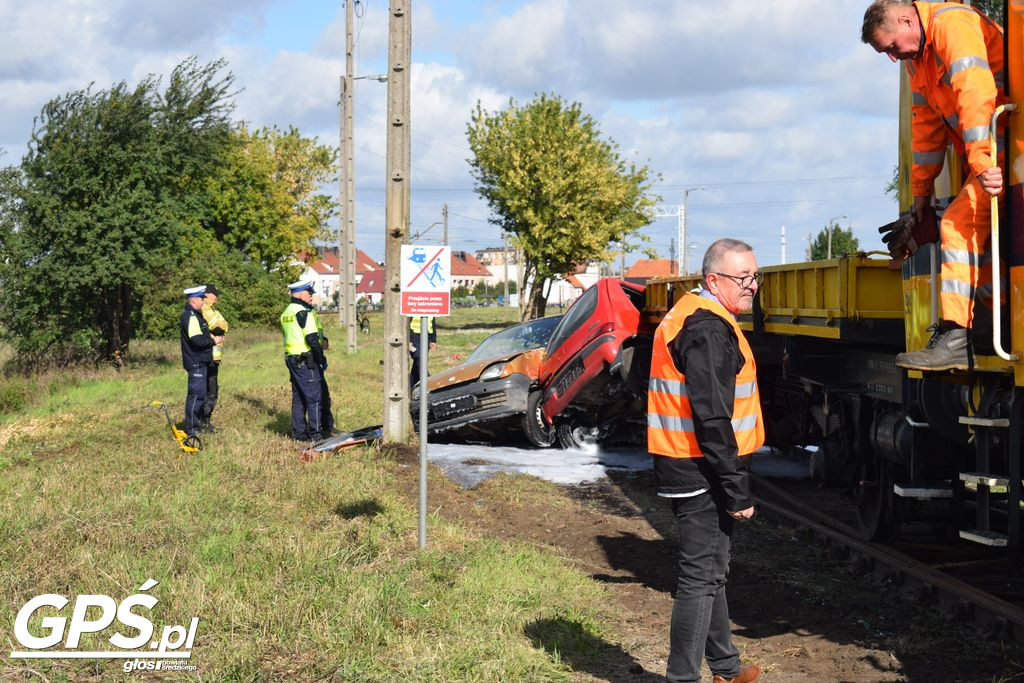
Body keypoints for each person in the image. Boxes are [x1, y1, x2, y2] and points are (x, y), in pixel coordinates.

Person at [862, 0, 1007, 370]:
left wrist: (981, 163)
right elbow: (926, 129)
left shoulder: (952, 25)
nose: (894, 58)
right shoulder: (920, 61)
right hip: (990, 152)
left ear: (906, 20)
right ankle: (990, 324)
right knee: (978, 235)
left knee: (956, 225)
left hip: (1002, 146)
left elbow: (976, 94)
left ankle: (957, 335)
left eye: (892, 47)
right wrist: (921, 197)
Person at [647, 239, 764, 683]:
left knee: (712, 571)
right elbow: (712, 416)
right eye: (742, 278)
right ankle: (683, 678)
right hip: (699, 468)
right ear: (714, 280)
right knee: (700, 577)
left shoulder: (691, 314)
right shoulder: (709, 330)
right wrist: (736, 489)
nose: (751, 286)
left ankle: (727, 668)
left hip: (688, 463)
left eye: (755, 276)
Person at [280, 279, 334, 441]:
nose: (311, 296)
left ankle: (299, 434)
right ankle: (316, 434)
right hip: (306, 360)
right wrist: (321, 358)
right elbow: (311, 339)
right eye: (309, 293)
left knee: (299, 397)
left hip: (292, 359)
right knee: (315, 398)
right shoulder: (304, 312)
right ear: (300, 293)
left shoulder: (287, 313)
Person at [180, 285, 222, 438]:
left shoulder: (196, 315)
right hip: (196, 362)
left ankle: (196, 426)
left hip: (201, 362)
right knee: (196, 396)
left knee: (201, 395)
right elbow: (197, 340)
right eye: (202, 299)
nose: (204, 302)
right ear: (194, 300)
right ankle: (191, 429)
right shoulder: (190, 317)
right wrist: (213, 341)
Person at [200, 284, 228, 433]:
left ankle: (206, 422)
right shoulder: (204, 308)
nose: (217, 296)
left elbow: (225, 325)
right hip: (208, 355)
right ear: (207, 295)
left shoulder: (213, 309)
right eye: (215, 294)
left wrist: (221, 327)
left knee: (212, 391)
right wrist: (220, 327)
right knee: (208, 391)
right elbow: (217, 327)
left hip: (215, 357)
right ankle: (202, 423)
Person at [408, 315, 437, 390]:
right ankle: (428, 383)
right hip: (414, 336)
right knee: (420, 358)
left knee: (417, 363)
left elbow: (432, 323)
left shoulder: (430, 306)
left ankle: (411, 385)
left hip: (426, 336)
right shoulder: (413, 305)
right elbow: (407, 323)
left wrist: (433, 340)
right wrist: (409, 339)